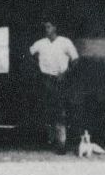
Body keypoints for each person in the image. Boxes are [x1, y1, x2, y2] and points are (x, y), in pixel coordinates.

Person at [29, 20, 79, 153]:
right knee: (46, 110)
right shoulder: (40, 43)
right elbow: (28, 55)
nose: (47, 29)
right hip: (45, 79)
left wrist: (65, 73)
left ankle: (61, 144)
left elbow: (75, 59)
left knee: (60, 111)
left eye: (49, 27)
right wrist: (37, 67)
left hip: (60, 79)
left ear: (55, 28)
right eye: (45, 27)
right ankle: (50, 140)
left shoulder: (65, 42)